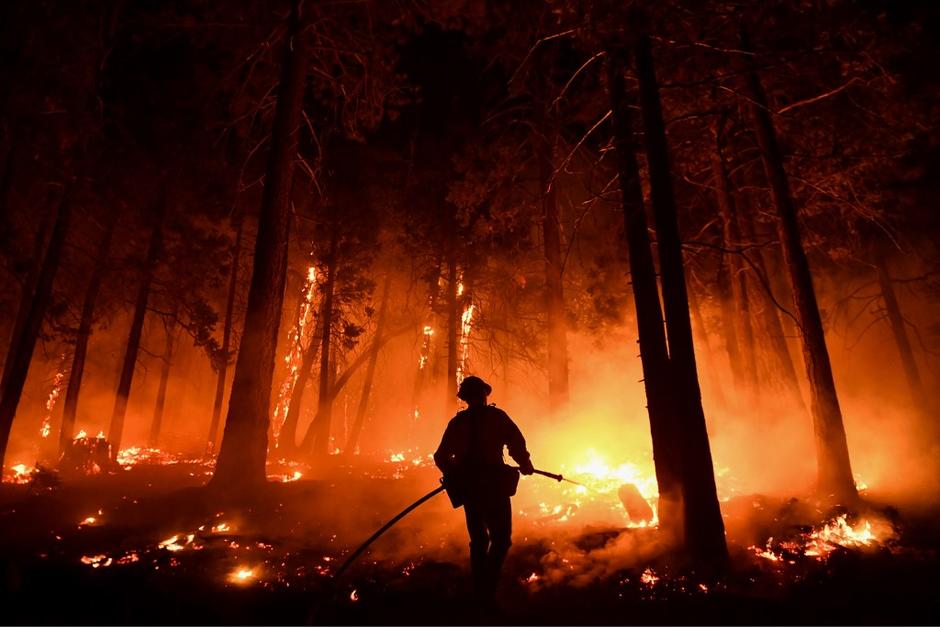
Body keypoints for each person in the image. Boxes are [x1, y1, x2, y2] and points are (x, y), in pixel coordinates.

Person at [433, 375, 534, 605]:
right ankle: (487, 589)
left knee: (478, 540)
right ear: (485, 394)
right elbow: (516, 443)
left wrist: (454, 476)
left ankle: (480, 590)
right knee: (501, 540)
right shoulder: (497, 417)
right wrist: (525, 463)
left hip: (470, 490)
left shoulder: (457, 423)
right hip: (494, 487)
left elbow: (440, 457)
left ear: (466, 398)